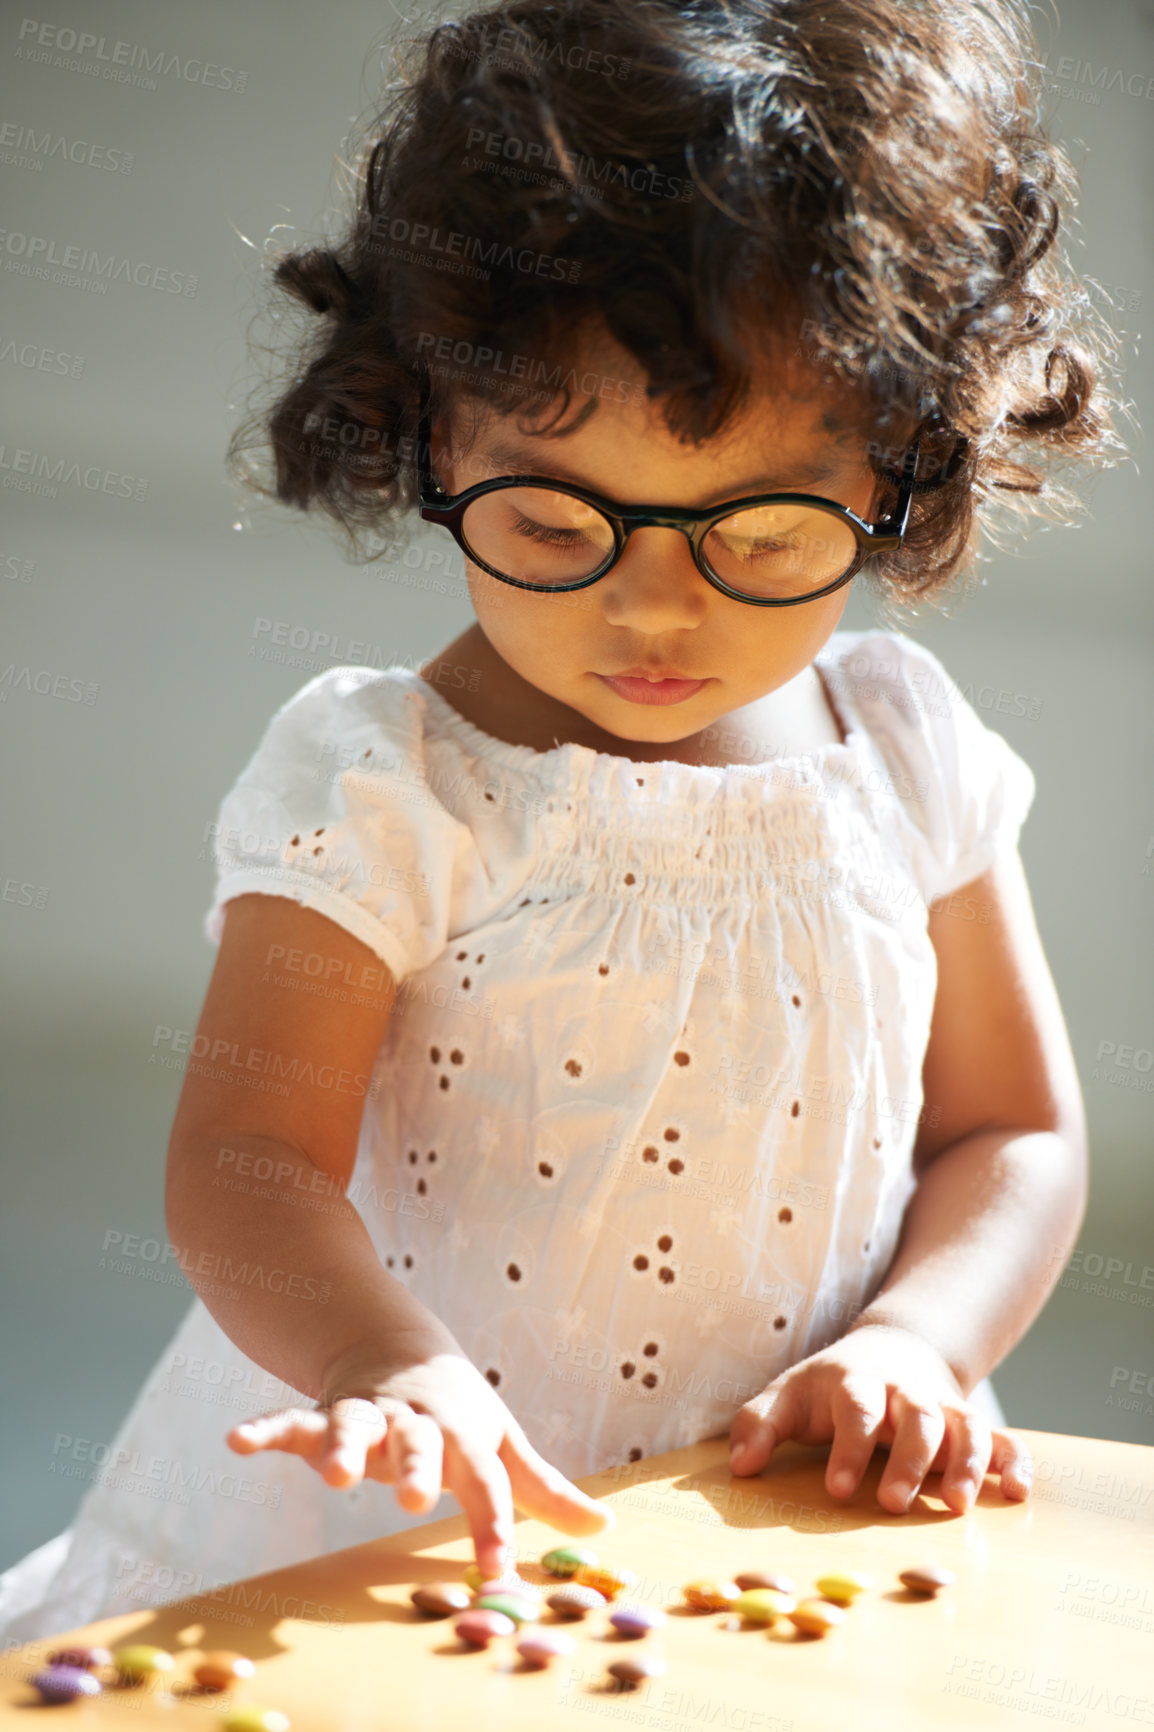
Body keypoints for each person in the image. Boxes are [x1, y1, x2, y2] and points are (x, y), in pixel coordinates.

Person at [0, 0, 1124, 1644]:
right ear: (424, 430)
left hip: (787, 1519)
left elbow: (1010, 1134)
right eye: (549, 516)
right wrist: (382, 1366)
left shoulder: (903, 749)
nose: (651, 610)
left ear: (901, 463)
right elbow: (249, 1155)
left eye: (759, 528)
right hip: (416, 1526)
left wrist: (917, 1345)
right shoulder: (391, 782)